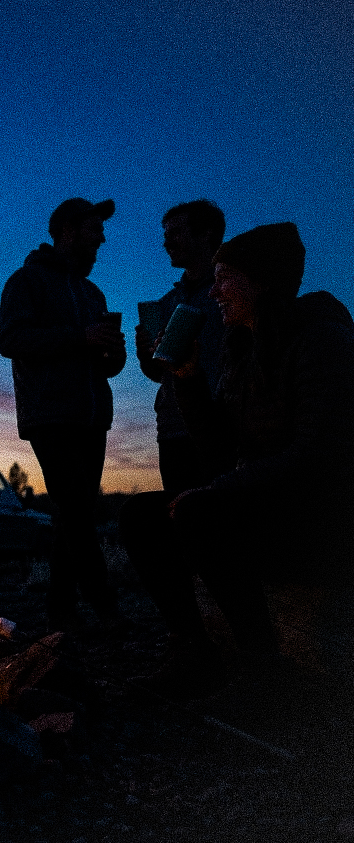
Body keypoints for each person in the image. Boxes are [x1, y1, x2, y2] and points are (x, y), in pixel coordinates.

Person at [122, 222, 354, 696]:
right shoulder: (242, 348)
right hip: (272, 507)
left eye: (225, 277)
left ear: (262, 280)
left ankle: (264, 667)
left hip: (322, 521)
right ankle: (194, 650)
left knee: (198, 510)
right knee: (139, 515)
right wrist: (186, 378)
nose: (214, 289)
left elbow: (318, 456)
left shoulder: (323, 339)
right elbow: (221, 449)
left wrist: (220, 490)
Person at [0, 198, 127, 631]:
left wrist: (114, 352)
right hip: (50, 413)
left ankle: (60, 605)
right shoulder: (26, 281)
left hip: (92, 416)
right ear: (68, 231)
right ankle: (104, 605)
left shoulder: (93, 294)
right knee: (76, 508)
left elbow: (103, 363)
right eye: (94, 229)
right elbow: (11, 339)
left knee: (73, 512)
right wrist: (80, 336)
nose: (102, 239)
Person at [134, 200, 227, 493]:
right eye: (165, 234)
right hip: (173, 428)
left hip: (222, 426)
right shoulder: (166, 303)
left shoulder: (231, 294)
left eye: (175, 232)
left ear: (206, 234)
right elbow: (159, 373)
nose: (166, 242)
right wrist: (146, 355)